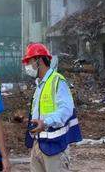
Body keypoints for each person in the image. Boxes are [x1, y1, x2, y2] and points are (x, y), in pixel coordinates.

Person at [22, 43, 82, 172]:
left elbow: (66, 109)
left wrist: (46, 122)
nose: (28, 66)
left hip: (55, 147)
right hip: (38, 144)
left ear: (39, 61)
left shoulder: (57, 80)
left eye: (30, 61)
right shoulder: (39, 85)